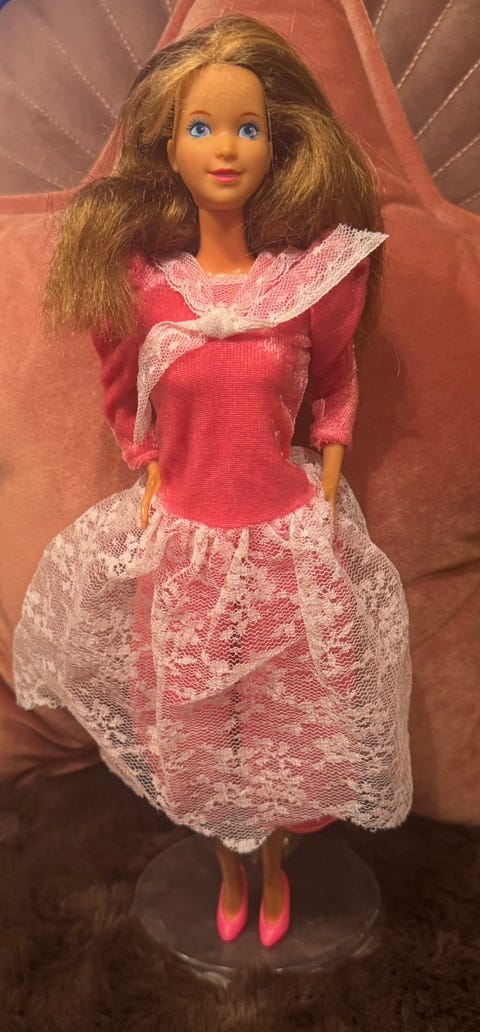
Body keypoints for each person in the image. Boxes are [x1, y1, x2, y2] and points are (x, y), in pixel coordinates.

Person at [13, 15, 412, 947]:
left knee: (280, 727)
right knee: (195, 731)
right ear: (169, 145)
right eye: (202, 127)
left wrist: (331, 472)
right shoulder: (146, 287)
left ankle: (272, 868)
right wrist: (148, 470)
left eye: (246, 127)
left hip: (281, 541)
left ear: (278, 145)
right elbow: (126, 395)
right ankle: (227, 867)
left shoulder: (308, 284)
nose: (225, 148)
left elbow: (336, 381)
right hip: (187, 546)